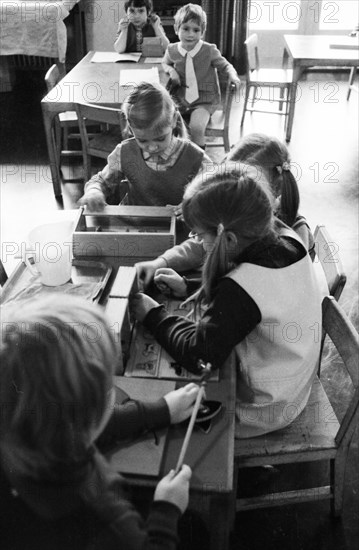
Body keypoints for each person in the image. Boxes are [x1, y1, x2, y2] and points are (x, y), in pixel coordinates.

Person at [131, 164, 322, 439]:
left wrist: (153, 314)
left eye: (198, 235)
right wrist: (189, 286)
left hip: (264, 406)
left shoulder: (241, 289)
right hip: (294, 382)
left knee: (165, 414)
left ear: (229, 238)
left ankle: (237, 474)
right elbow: (254, 300)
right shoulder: (286, 237)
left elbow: (200, 354)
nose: (197, 240)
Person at [0, 295, 200, 550]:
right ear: (92, 411)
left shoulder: (22, 424)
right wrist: (166, 510)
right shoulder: (109, 521)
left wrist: (161, 410)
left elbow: (78, 424)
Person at [79, 82, 211, 214]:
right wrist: (94, 191)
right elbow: (101, 180)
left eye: (160, 138)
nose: (152, 147)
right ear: (131, 128)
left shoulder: (194, 156)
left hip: (179, 227)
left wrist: (194, 203)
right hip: (134, 226)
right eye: (142, 140)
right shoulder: (123, 153)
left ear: (174, 120)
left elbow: (214, 187)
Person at [162, 3, 240, 148]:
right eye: (185, 29)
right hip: (181, 99)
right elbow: (165, 63)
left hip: (205, 100)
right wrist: (171, 71)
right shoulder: (172, 50)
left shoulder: (209, 50)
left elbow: (226, 65)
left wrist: (233, 75)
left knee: (196, 127)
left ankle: (199, 161)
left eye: (196, 30)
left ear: (202, 32)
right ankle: (177, 154)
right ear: (176, 29)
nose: (190, 34)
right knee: (165, 123)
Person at [226, 133, 315, 256]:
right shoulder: (242, 209)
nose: (231, 188)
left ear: (275, 189)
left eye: (244, 183)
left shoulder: (294, 234)